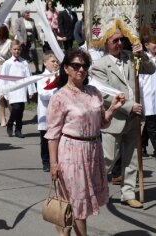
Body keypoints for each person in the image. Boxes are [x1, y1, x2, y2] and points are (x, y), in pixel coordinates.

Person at [45, 48, 125, 236]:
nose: (81, 69)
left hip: (92, 151)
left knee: (75, 202)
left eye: (85, 66)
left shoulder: (93, 92)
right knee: (77, 202)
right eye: (76, 65)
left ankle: (64, 233)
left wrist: (113, 108)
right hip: (71, 153)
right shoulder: (59, 97)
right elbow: (53, 134)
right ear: (66, 68)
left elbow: (102, 123)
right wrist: (53, 163)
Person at [90, 28, 156, 208]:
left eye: (121, 40)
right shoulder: (100, 65)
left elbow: (151, 69)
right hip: (114, 119)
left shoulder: (130, 57)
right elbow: (103, 95)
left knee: (132, 158)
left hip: (133, 118)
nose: (120, 44)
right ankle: (93, 190)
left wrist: (142, 54)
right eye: (115, 41)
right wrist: (128, 106)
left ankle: (127, 193)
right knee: (108, 159)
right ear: (106, 43)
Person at [0, 40, 36, 138]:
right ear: (11, 50)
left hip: (22, 90)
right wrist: (3, 90)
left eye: (18, 49)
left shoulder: (24, 62)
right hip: (12, 90)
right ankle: (10, 123)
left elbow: (29, 77)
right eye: (15, 49)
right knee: (15, 108)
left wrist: (31, 90)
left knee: (21, 110)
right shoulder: (7, 63)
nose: (17, 51)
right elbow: (3, 78)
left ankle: (18, 130)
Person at [36, 51, 59, 172]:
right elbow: (43, 94)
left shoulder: (61, 76)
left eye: (56, 61)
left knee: (57, 138)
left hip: (58, 113)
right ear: (45, 63)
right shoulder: (41, 78)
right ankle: (46, 161)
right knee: (45, 139)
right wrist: (56, 90)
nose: (55, 64)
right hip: (45, 113)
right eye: (53, 61)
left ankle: (56, 160)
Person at [15, 9, 40, 74]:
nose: (28, 13)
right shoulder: (18, 20)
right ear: (23, 13)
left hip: (31, 40)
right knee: (22, 55)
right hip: (23, 41)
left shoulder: (32, 20)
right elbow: (17, 31)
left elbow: (35, 29)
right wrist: (20, 39)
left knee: (33, 50)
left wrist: (38, 38)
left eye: (29, 12)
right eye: (27, 12)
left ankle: (37, 69)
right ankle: (22, 70)